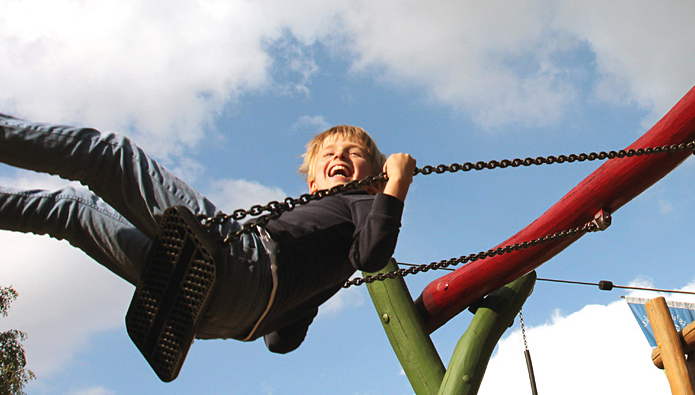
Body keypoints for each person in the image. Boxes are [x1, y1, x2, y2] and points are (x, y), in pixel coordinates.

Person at [0, 113, 415, 353]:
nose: (340, 156)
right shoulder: (325, 227)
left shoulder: (363, 203)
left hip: (240, 265)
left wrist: (396, 185)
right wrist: (306, 294)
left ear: (373, 179)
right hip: (212, 316)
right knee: (72, 210)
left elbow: (372, 256)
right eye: (330, 154)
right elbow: (279, 342)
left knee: (108, 155)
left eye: (354, 154)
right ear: (311, 181)